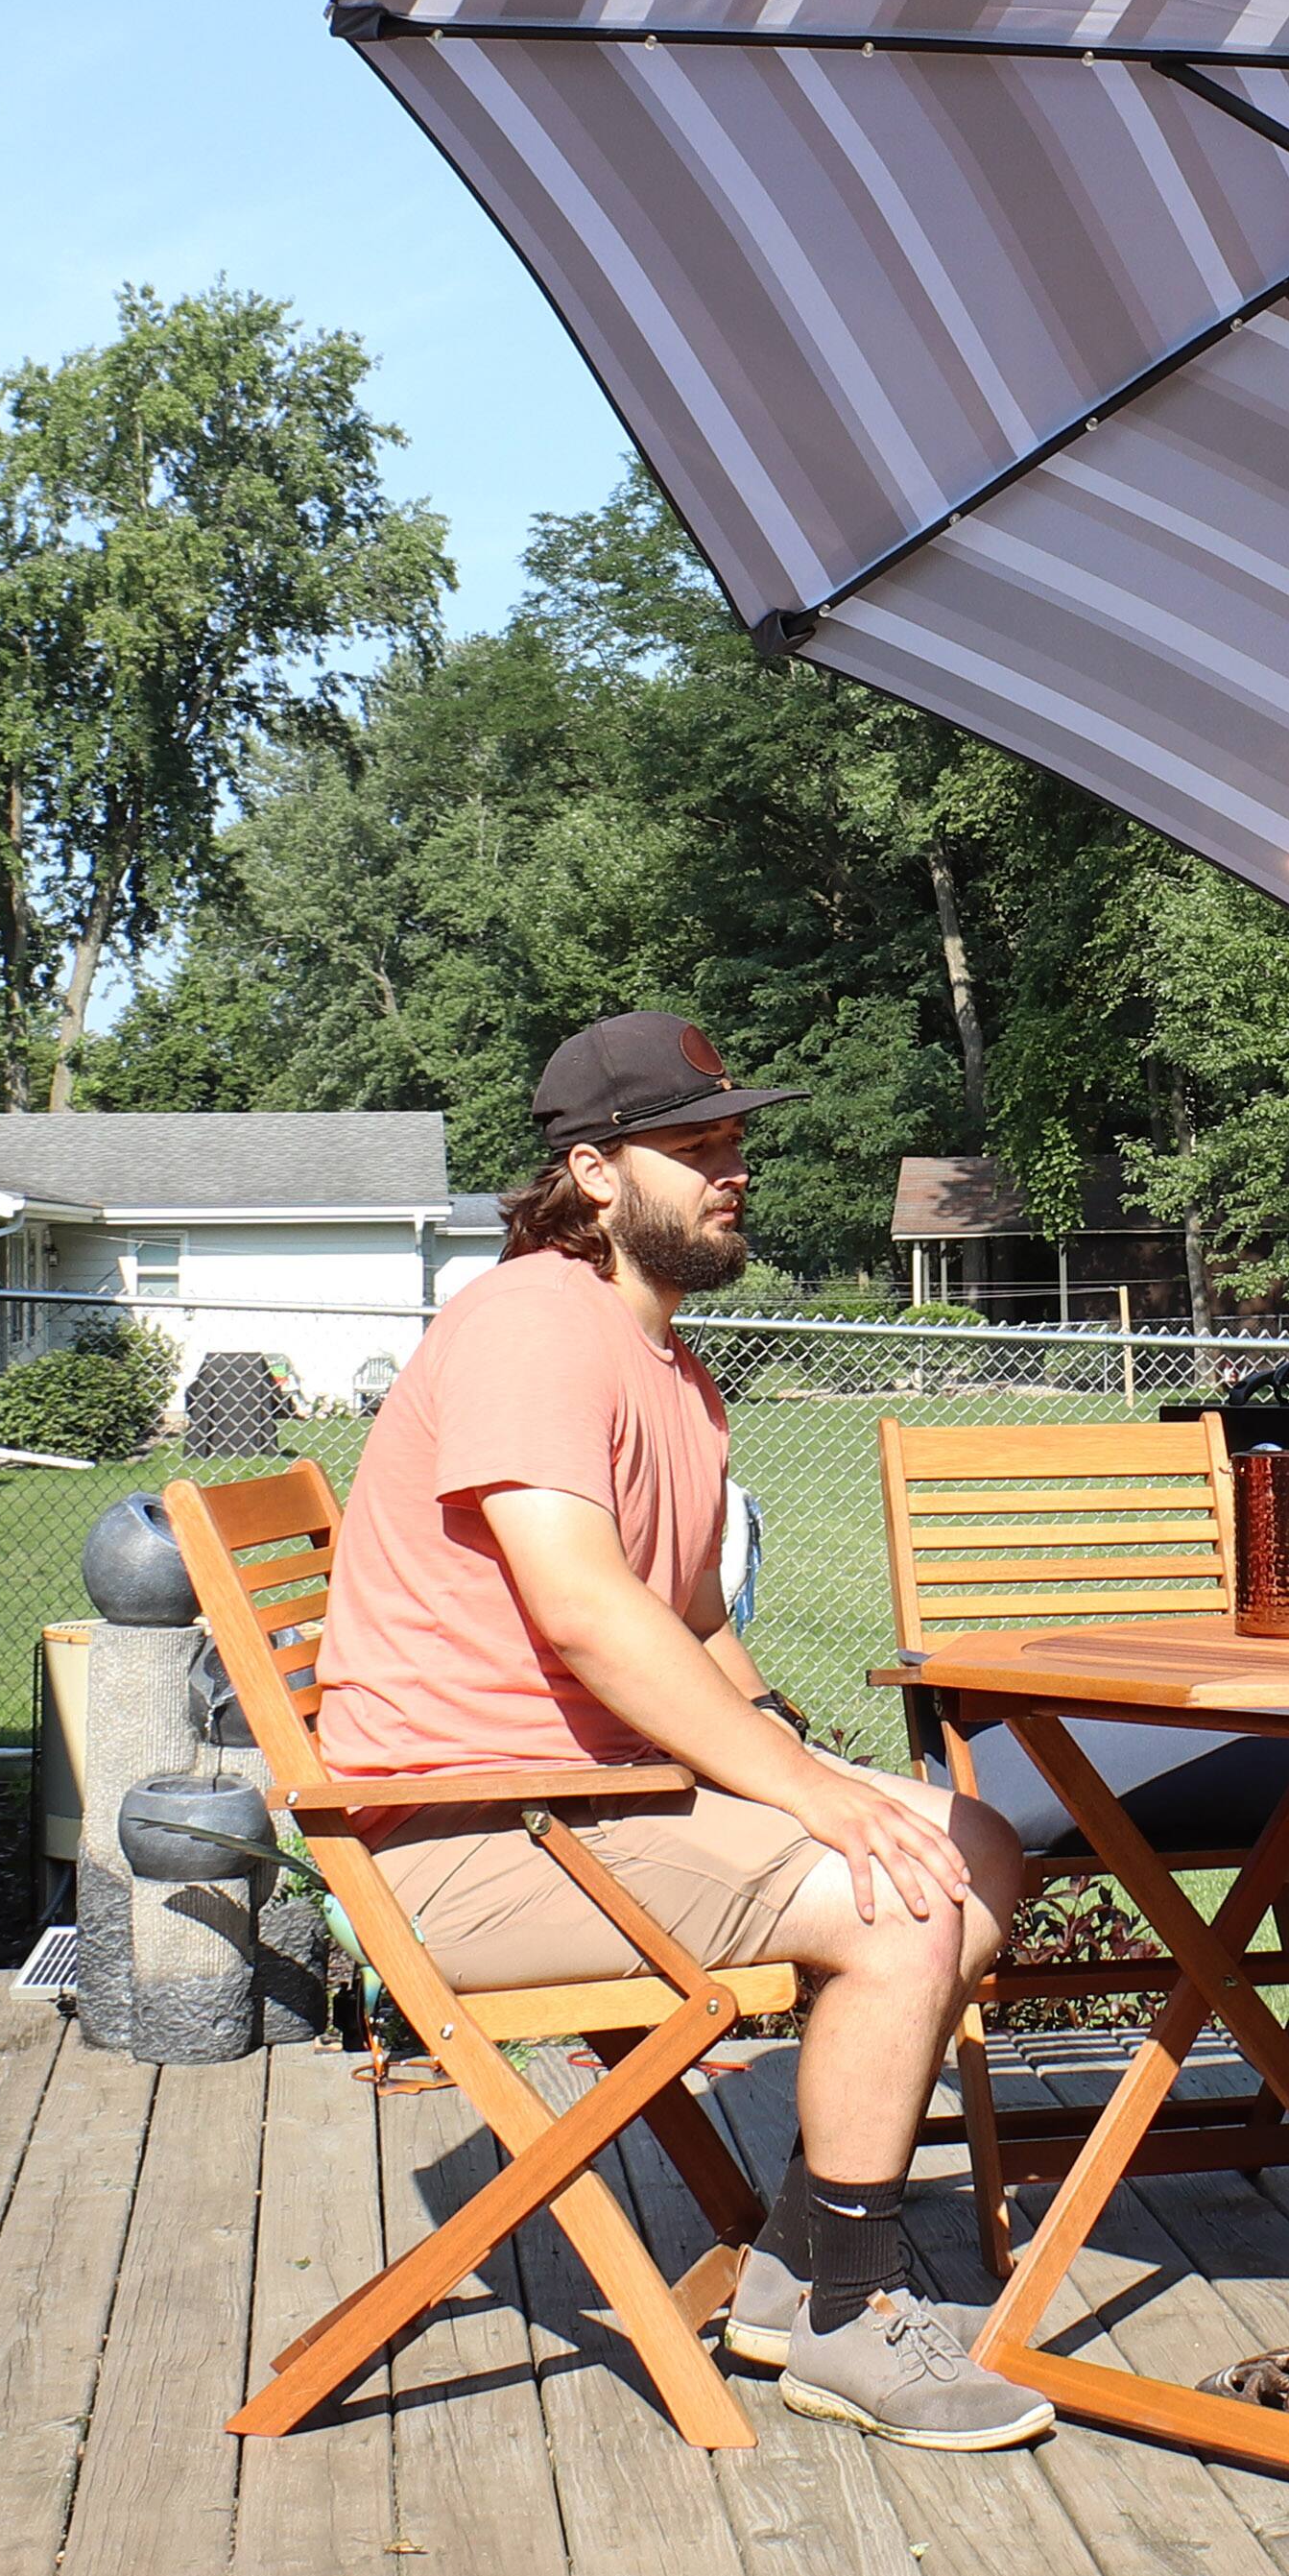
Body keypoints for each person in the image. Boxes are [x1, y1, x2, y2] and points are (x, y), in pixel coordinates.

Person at [314, 1011, 1050, 2452]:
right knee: (906, 1896)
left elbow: (696, 1619)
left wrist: (810, 1759)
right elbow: (586, 1612)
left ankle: (790, 2268)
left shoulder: (669, 1366)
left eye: (735, 1144)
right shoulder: (532, 1324)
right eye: (695, 1147)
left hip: (582, 1808)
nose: (735, 1173)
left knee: (970, 1838)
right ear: (593, 1174)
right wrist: (806, 1802)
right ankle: (851, 2307)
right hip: (462, 1838)